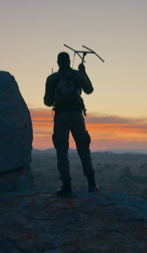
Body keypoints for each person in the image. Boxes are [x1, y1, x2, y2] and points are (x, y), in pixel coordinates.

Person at [44, 52, 98, 198]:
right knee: (83, 148)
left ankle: (66, 187)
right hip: (77, 116)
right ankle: (92, 184)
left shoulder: (52, 79)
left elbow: (48, 102)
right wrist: (83, 72)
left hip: (61, 117)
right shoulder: (78, 75)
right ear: (69, 61)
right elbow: (89, 90)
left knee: (62, 151)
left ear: (57, 62)